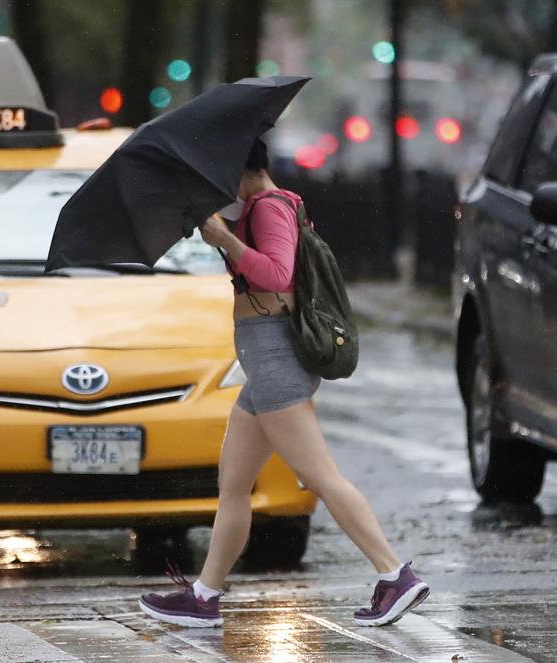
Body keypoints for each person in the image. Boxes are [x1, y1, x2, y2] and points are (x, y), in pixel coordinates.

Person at [137, 139, 430, 628]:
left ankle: (394, 573)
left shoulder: (269, 206)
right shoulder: (262, 207)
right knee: (233, 484)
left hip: (275, 360)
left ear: (240, 168)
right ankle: (205, 596)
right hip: (264, 364)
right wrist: (221, 231)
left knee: (320, 476)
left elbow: (277, 273)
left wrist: (227, 241)